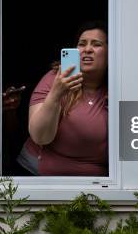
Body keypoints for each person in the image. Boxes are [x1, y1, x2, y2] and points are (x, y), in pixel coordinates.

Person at [17, 21, 108, 176]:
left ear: (109, 52)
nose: (87, 49)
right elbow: (40, 136)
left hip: (98, 184)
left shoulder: (119, 87)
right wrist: (56, 93)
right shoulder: (55, 78)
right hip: (37, 175)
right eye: (82, 44)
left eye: (96, 44)